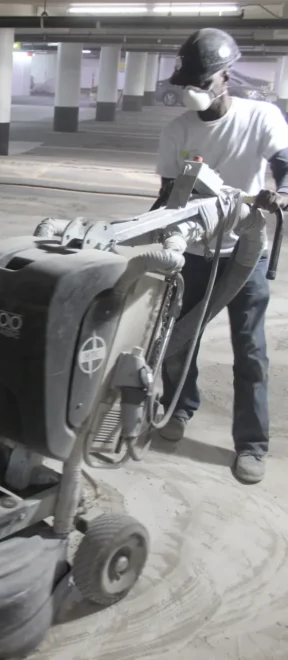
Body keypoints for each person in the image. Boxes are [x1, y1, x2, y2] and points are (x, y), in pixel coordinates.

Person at [155, 28, 288, 484]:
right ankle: (178, 406)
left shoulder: (261, 117)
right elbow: (167, 194)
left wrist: (281, 193)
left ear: (225, 77)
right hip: (193, 253)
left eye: (203, 82)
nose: (194, 92)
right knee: (178, 340)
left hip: (243, 256)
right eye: (188, 82)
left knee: (250, 351)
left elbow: (285, 163)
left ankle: (252, 445)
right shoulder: (177, 131)